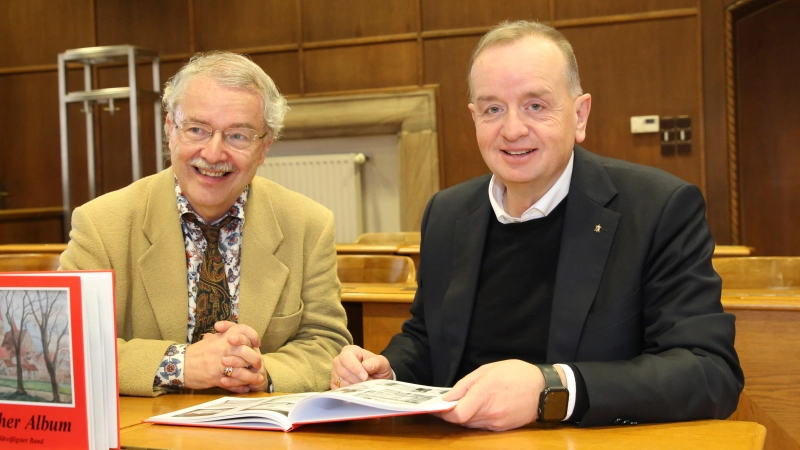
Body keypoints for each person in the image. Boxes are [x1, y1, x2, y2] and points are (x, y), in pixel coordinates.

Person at [330, 21, 743, 430]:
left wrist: (553, 388)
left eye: (536, 105)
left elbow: (708, 373)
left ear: (580, 115)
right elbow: (427, 339)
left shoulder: (658, 208)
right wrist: (390, 372)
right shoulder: (447, 212)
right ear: (474, 118)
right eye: (493, 108)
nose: (512, 129)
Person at [60, 51, 352, 397]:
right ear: (171, 131)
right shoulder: (101, 223)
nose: (214, 154)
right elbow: (67, 345)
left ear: (265, 147)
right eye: (197, 129)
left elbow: (326, 342)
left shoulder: (309, 225)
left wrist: (263, 374)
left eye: (237, 136)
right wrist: (178, 364)